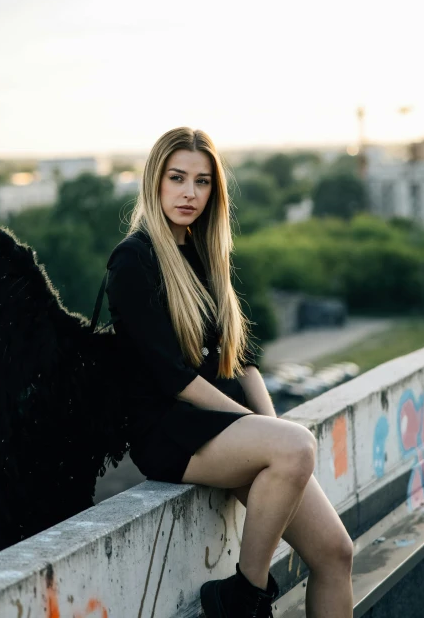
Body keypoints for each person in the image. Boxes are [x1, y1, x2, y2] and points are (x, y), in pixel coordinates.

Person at [105, 127, 353, 618]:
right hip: (169, 432)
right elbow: (172, 377)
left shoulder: (202, 255)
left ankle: (240, 595)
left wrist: (271, 427)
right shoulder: (132, 260)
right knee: (295, 445)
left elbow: (241, 360)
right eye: (177, 178)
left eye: (201, 182)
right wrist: (258, 430)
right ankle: (244, 595)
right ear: (155, 182)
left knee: (335, 554)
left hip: (220, 426)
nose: (189, 193)